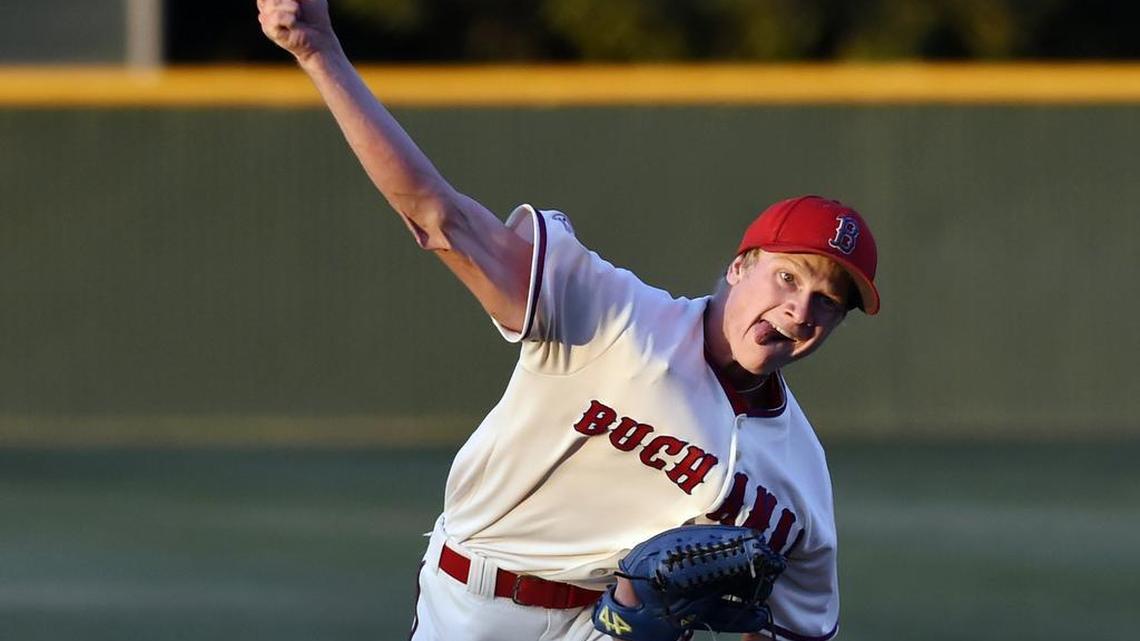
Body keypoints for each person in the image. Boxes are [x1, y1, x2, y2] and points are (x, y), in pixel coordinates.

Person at [256, 2, 880, 640]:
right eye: (786, 276)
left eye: (828, 301)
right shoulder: (610, 315)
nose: (799, 309)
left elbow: (792, 631)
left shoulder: (799, 479)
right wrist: (318, 52)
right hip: (474, 603)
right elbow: (439, 217)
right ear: (739, 266)